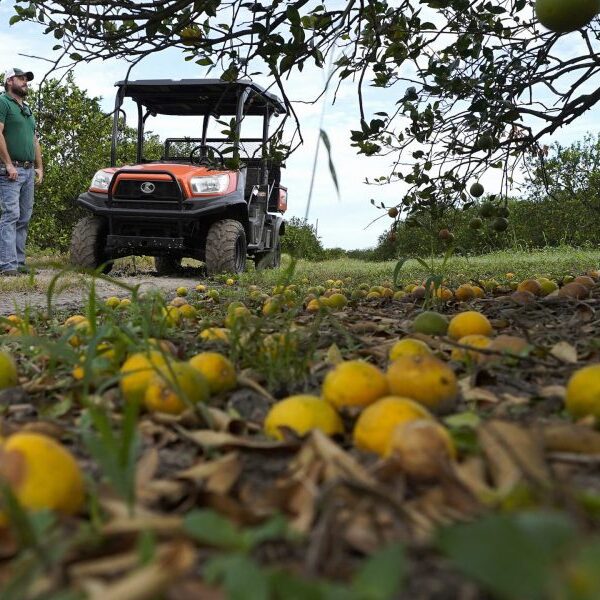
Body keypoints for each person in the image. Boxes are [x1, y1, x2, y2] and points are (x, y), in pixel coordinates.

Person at [0, 67, 43, 276]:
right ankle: (7, 265)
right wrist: (8, 164)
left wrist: (39, 166)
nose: (25, 81)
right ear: (9, 81)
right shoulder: (2, 102)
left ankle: (18, 262)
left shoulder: (27, 108)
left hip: (27, 170)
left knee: (24, 217)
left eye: (27, 78)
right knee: (11, 215)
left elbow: (34, 140)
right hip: (11, 170)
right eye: (21, 78)